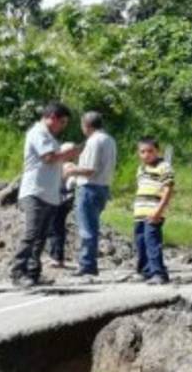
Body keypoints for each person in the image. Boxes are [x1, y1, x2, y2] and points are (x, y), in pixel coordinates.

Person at [9, 103, 82, 287]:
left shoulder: (50, 137)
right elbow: (48, 158)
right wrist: (69, 153)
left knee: (41, 236)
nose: (63, 126)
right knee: (32, 234)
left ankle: (33, 273)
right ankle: (18, 271)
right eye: (62, 122)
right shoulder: (38, 133)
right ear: (53, 117)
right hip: (35, 191)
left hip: (48, 193)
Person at [64, 111, 117, 279]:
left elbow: (89, 170)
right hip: (103, 187)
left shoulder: (94, 141)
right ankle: (88, 263)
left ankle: (87, 264)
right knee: (92, 226)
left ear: (86, 125)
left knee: (87, 228)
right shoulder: (109, 139)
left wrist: (71, 169)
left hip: (89, 187)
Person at [132, 137, 174, 285]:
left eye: (150, 151)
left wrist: (158, 211)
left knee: (152, 242)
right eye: (142, 152)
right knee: (141, 242)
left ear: (158, 151)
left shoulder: (164, 167)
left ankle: (159, 273)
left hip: (154, 213)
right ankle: (146, 271)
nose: (146, 154)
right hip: (140, 214)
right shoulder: (141, 169)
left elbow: (168, 190)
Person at [46, 172, 76, 268]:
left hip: (60, 200)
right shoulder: (62, 165)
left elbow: (69, 178)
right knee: (55, 228)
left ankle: (57, 258)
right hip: (62, 199)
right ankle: (56, 256)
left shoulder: (65, 165)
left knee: (55, 228)